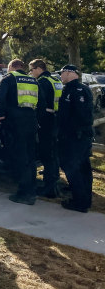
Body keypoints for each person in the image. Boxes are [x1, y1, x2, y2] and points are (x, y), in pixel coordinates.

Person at [0, 59, 38, 205]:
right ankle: (32, 189)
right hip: (31, 122)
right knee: (31, 157)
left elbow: (0, 99)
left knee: (20, 157)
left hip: (15, 123)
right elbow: (42, 102)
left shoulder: (8, 79)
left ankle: (24, 193)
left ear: (12, 67)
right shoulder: (33, 81)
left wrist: (0, 114)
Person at [57, 64, 94, 212]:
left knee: (72, 167)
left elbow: (80, 116)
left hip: (75, 137)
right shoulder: (78, 88)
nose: (61, 76)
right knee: (84, 168)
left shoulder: (76, 90)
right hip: (79, 136)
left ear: (69, 73)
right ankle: (85, 198)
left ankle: (80, 202)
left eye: (62, 73)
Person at [29, 59, 63, 198]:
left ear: (39, 68)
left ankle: (49, 188)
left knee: (46, 154)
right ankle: (54, 180)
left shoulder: (42, 82)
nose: (31, 73)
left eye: (31, 70)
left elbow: (40, 104)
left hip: (46, 121)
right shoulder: (56, 80)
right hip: (56, 120)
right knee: (53, 153)